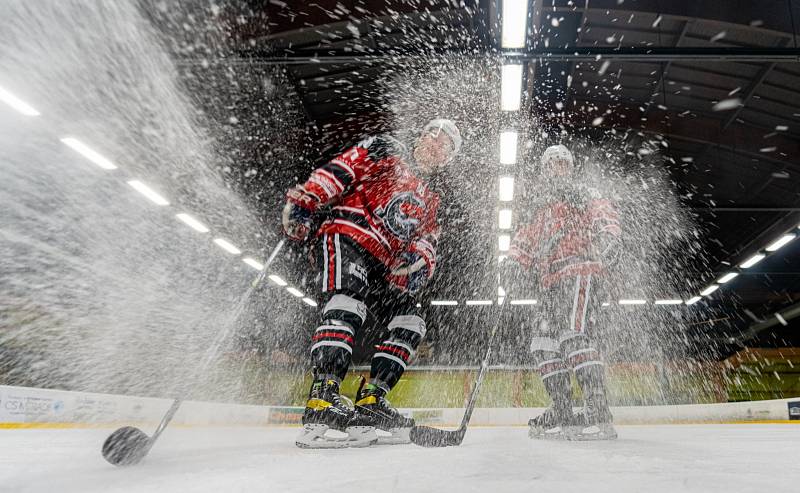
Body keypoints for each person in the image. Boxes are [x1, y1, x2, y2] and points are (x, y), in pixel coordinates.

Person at [282, 119, 461, 448]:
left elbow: (427, 242)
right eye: (433, 135)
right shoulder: (388, 150)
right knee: (348, 305)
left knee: (411, 322)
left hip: (384, 263)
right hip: (348, 236)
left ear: (447, 158)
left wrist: (419, 261)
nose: (437, 144)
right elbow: (344, 168)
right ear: (420, 136)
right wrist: (309, 198)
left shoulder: (432, 200)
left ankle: (371, 403)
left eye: (446, 145)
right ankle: (322, 400)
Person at [502, 144, 620, 440]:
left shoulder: (582, 193)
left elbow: (603, 214)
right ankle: (564, 409)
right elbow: (525, 240)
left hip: (580, 270)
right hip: (550, 282)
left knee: (572, 334)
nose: (558, 167)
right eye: (552, 163)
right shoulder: (540, 206)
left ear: (570, 168)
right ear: (544, 170)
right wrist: (512, 262)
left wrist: (607, 235)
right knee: (543, 344)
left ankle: (597, 409)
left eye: (563, 163)